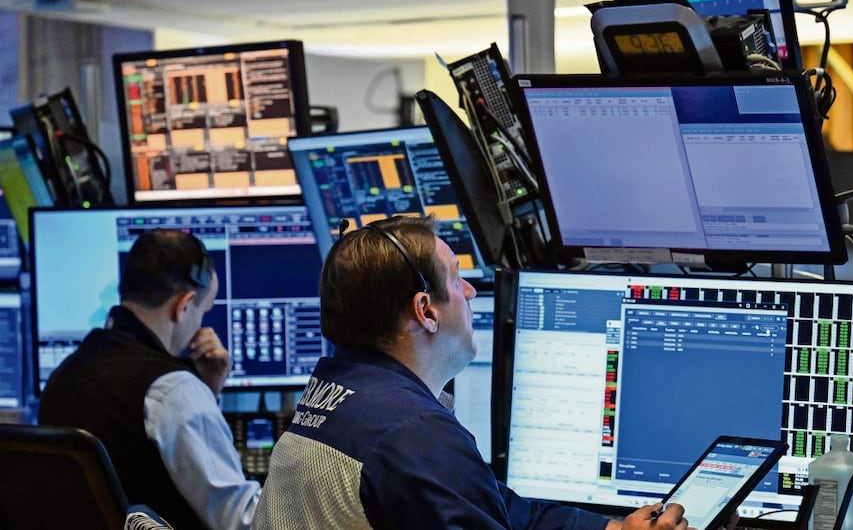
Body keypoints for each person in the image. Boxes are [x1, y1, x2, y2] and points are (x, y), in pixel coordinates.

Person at [252, 216, 693, 529]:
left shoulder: (340, 392)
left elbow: (501, 509)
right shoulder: (411, 433)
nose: (469, 291)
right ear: (426, 311)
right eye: (456, 277)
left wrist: (613, 529)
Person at [38, 228, 260, 530]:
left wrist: (207, 391)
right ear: (184, 306)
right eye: (203, 311)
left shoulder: (64, 375)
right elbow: (241, 521)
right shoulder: (173, 390)